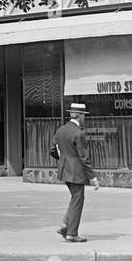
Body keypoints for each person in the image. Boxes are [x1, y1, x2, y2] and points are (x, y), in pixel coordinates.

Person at [51, 102, 98, 243]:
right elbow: (84, 157)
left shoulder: (61, 130)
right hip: (76, 172)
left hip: (64, 170)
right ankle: (72, 233)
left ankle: (65, 225)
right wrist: (93, 177)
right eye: (84, 115)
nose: (84, 118)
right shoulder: (79, 133)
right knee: (78, 200)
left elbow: (53, 150)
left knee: (75, 199)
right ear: (81, 116)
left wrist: (63, 160)